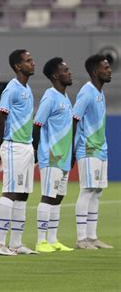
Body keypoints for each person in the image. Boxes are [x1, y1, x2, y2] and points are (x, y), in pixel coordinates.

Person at [0, 50, 38, 256]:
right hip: (14, 145)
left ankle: (16, 243)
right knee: (10, 192)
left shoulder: (27, 88)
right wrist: (1, 146)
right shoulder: (12, 88)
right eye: (28, 61)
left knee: (23, 194)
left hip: (26, 145)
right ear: (18, 66)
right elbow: (0, 119)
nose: (32, 63)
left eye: (32, 59)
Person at [33, 57, 74, 253]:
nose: (70, 73)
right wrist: (36, 150)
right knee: (48, 197)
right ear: (56, 75)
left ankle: (53, 239)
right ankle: (41, 241)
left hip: (63, 156)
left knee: (58, 197)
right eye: (66, 70)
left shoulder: (65, 97)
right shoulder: (50, 97)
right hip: (51, 156)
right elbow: (37, 125)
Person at [73, 54, 113, 249]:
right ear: (96, 71)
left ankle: (92, 237)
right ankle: (81, 239)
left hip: (100, 149)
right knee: (87, 190)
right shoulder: (86, 92)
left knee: (97, 192)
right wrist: (72, 149)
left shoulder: (99, 92)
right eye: (106, 67)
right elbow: (74, 119)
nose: (109, 70)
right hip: (88, 148)